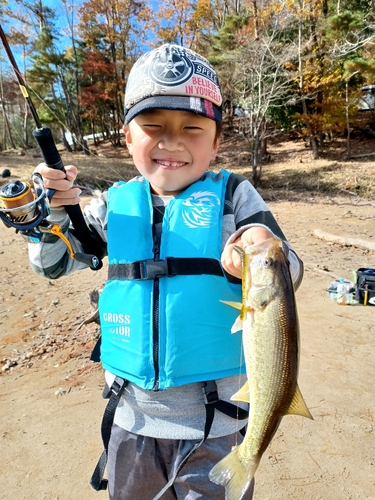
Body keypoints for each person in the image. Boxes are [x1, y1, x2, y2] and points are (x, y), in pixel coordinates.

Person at [29, 43, 304, 500]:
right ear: (127, 137)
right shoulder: (111, 206)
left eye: (192, 129)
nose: (171, 141)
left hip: (217, 426)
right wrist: (50, 218)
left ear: (216, 142)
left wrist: (259, 248)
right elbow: (53, 264)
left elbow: (289, 268)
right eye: (152, 126)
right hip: (131, 419)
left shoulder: (235, 198)